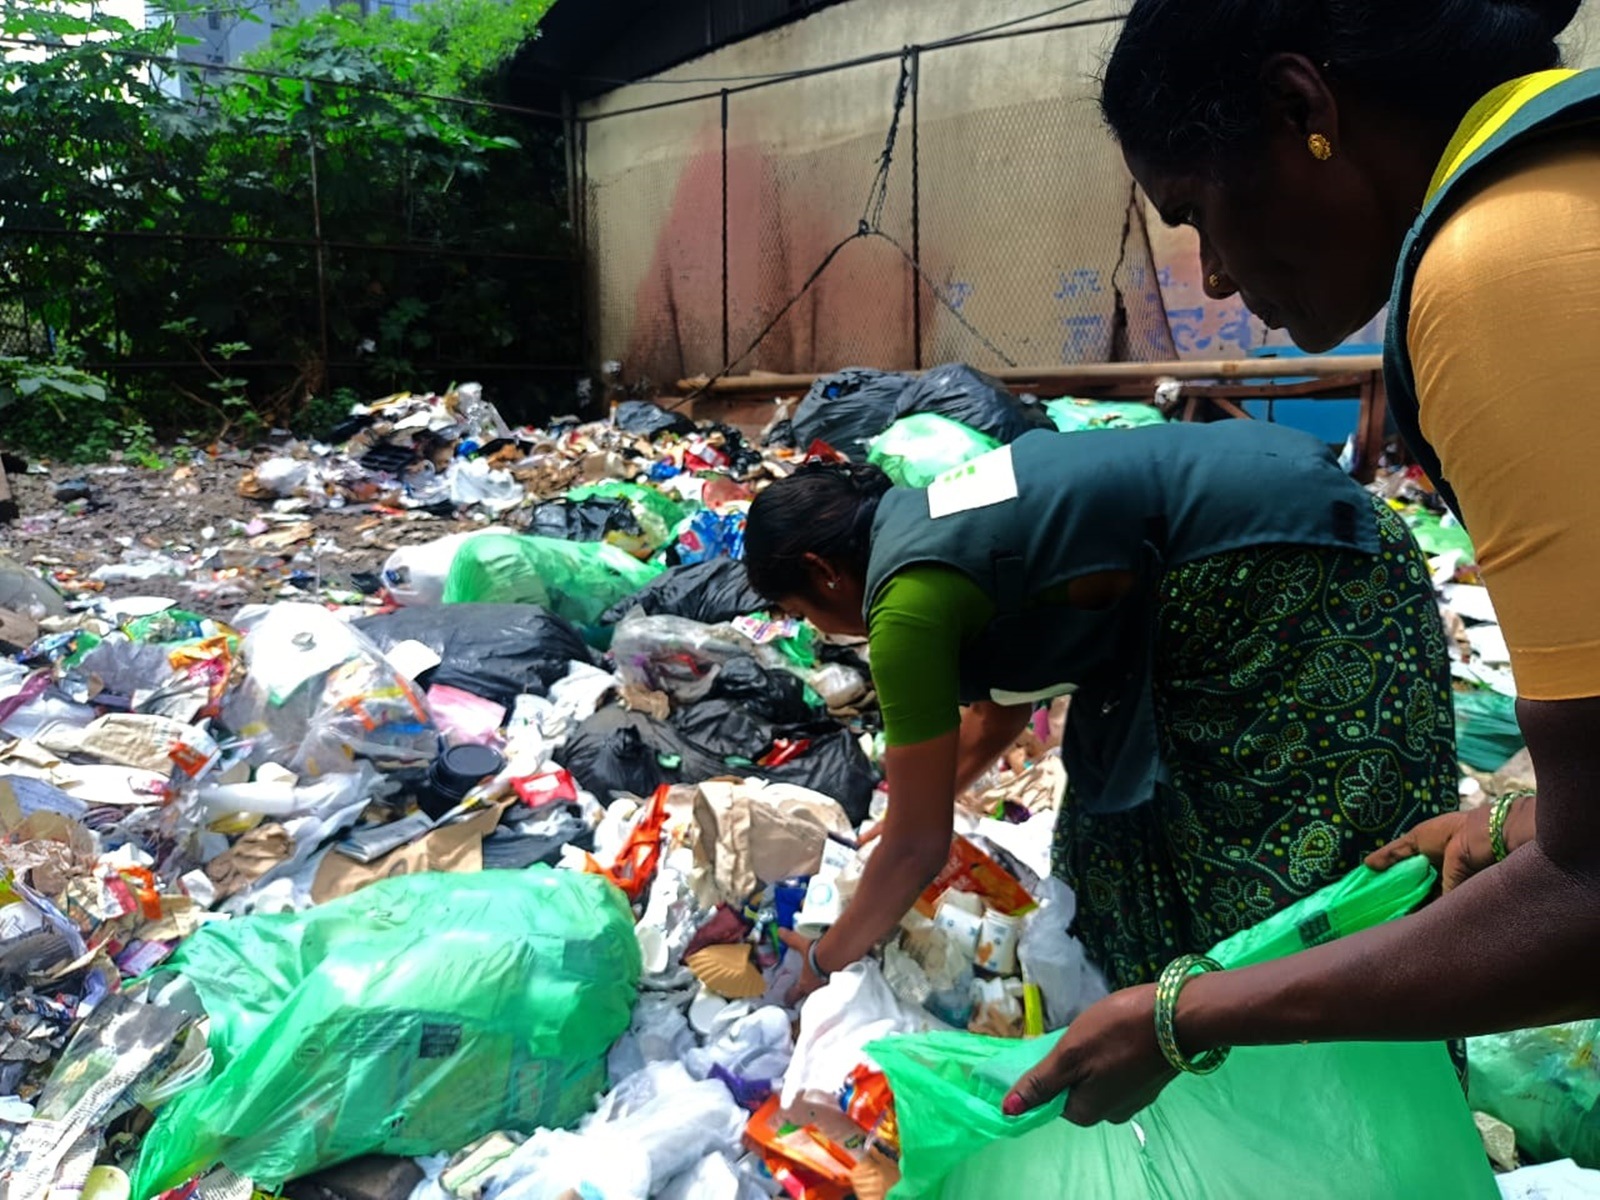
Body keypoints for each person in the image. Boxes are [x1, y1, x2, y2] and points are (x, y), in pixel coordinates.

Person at [1003, 0, 1600, 1128]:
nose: (1216, 277)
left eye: (1196, 216)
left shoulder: (1499, 262)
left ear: (1300, 110)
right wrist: (1522, 821)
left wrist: (1187, 1015)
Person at [742, 422, 1456, 999]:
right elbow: (998, 716)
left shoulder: (906, 603)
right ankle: (1158, 1014)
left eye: (801, 611)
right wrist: (904, 818)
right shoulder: (923, 523)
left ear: (821, 569)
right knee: (1106, 837)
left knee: (1282, 842)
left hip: (1302, 566)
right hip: (1242, 555)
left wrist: (822, 963)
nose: (818, 632)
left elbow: (917, 848)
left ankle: (1288, 1032)